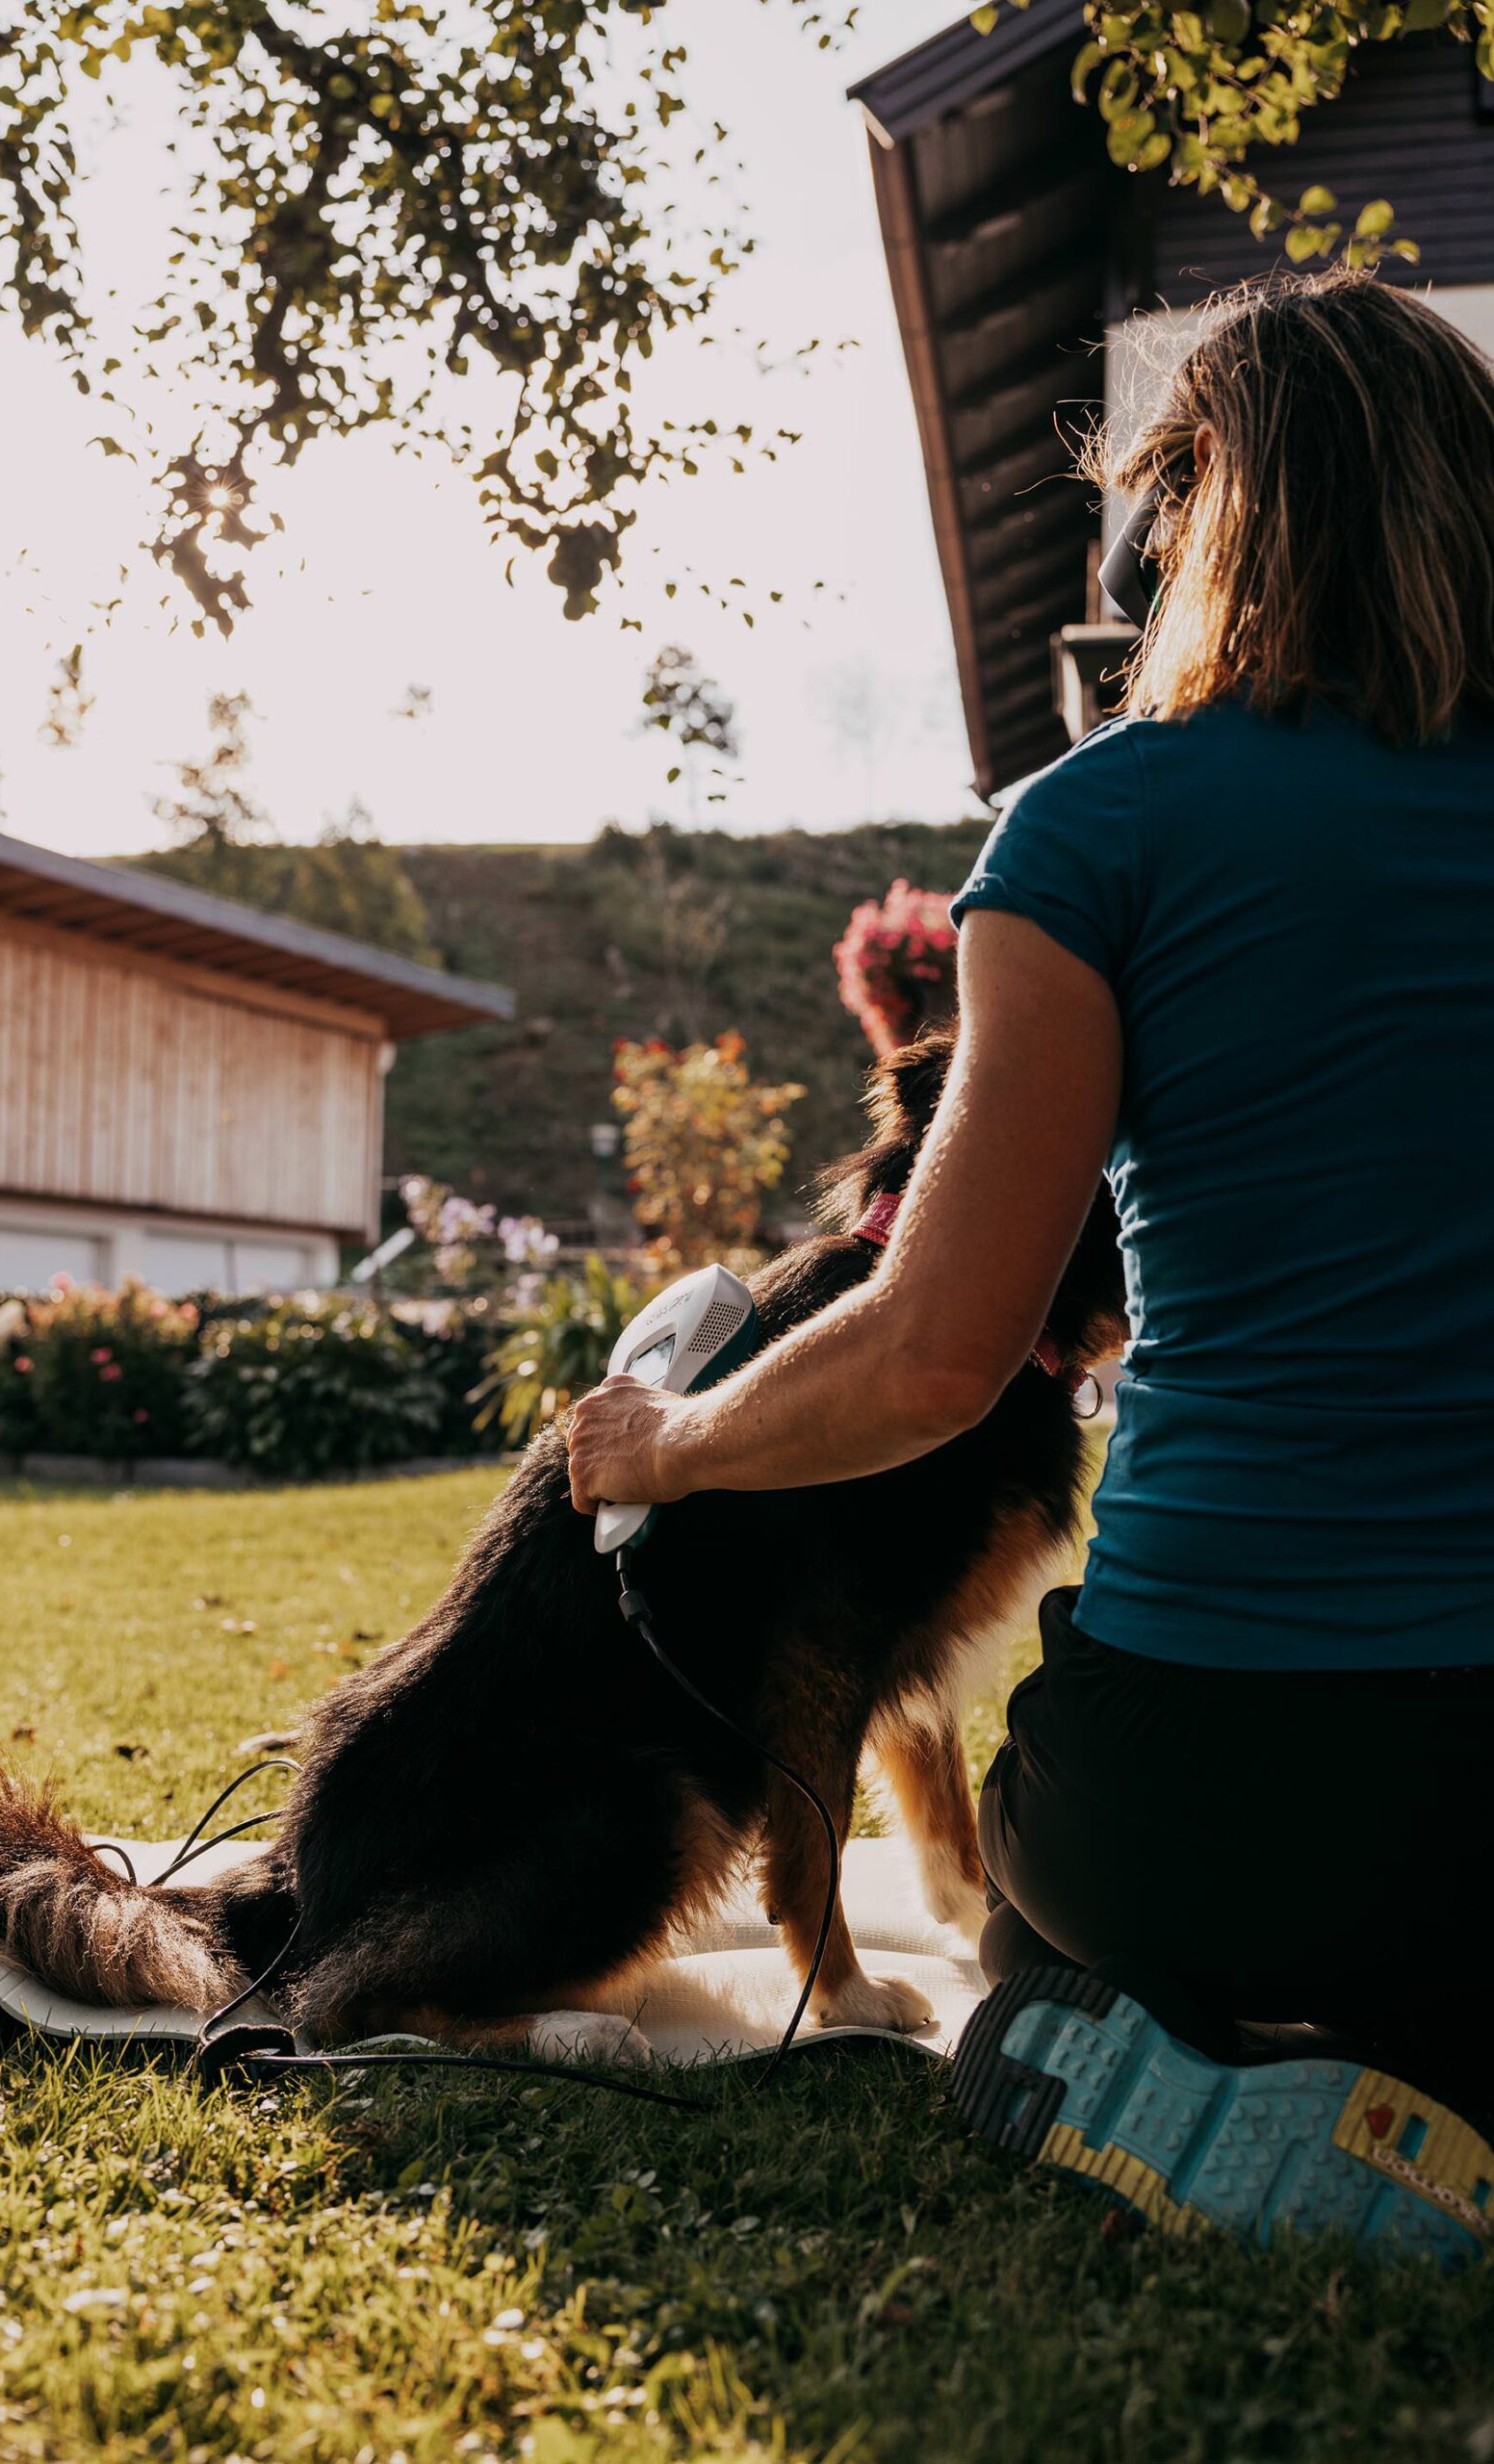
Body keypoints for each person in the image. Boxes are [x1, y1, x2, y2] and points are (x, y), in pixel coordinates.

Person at [564, 270, 1494, 2264]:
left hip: (1213, 1789)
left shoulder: (1101, 827)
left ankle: (1155, 2030)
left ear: (1195, 519)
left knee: (1039, 1919)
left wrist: (670, 1447)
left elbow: (929, 1352)